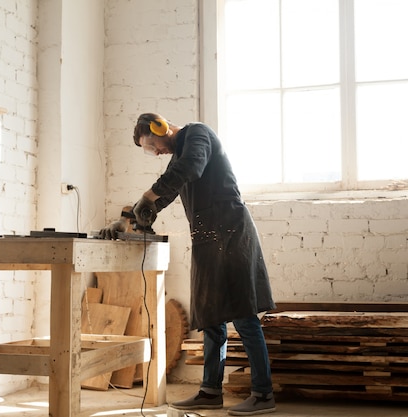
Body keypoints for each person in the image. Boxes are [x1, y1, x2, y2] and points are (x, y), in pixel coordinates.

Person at [100, 113, 276, 416]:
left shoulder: (198, 136)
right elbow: (166, 189)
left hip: (232, 233)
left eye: (152, 144)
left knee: (244, 315)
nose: (154, 152)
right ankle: (210, 391)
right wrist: (126, 219)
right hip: (208, 238)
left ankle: (263, 394)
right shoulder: (177, 156)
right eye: (149, 149)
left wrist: (147, 196)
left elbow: (190, 169)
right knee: (210, 318)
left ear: (161, 127)